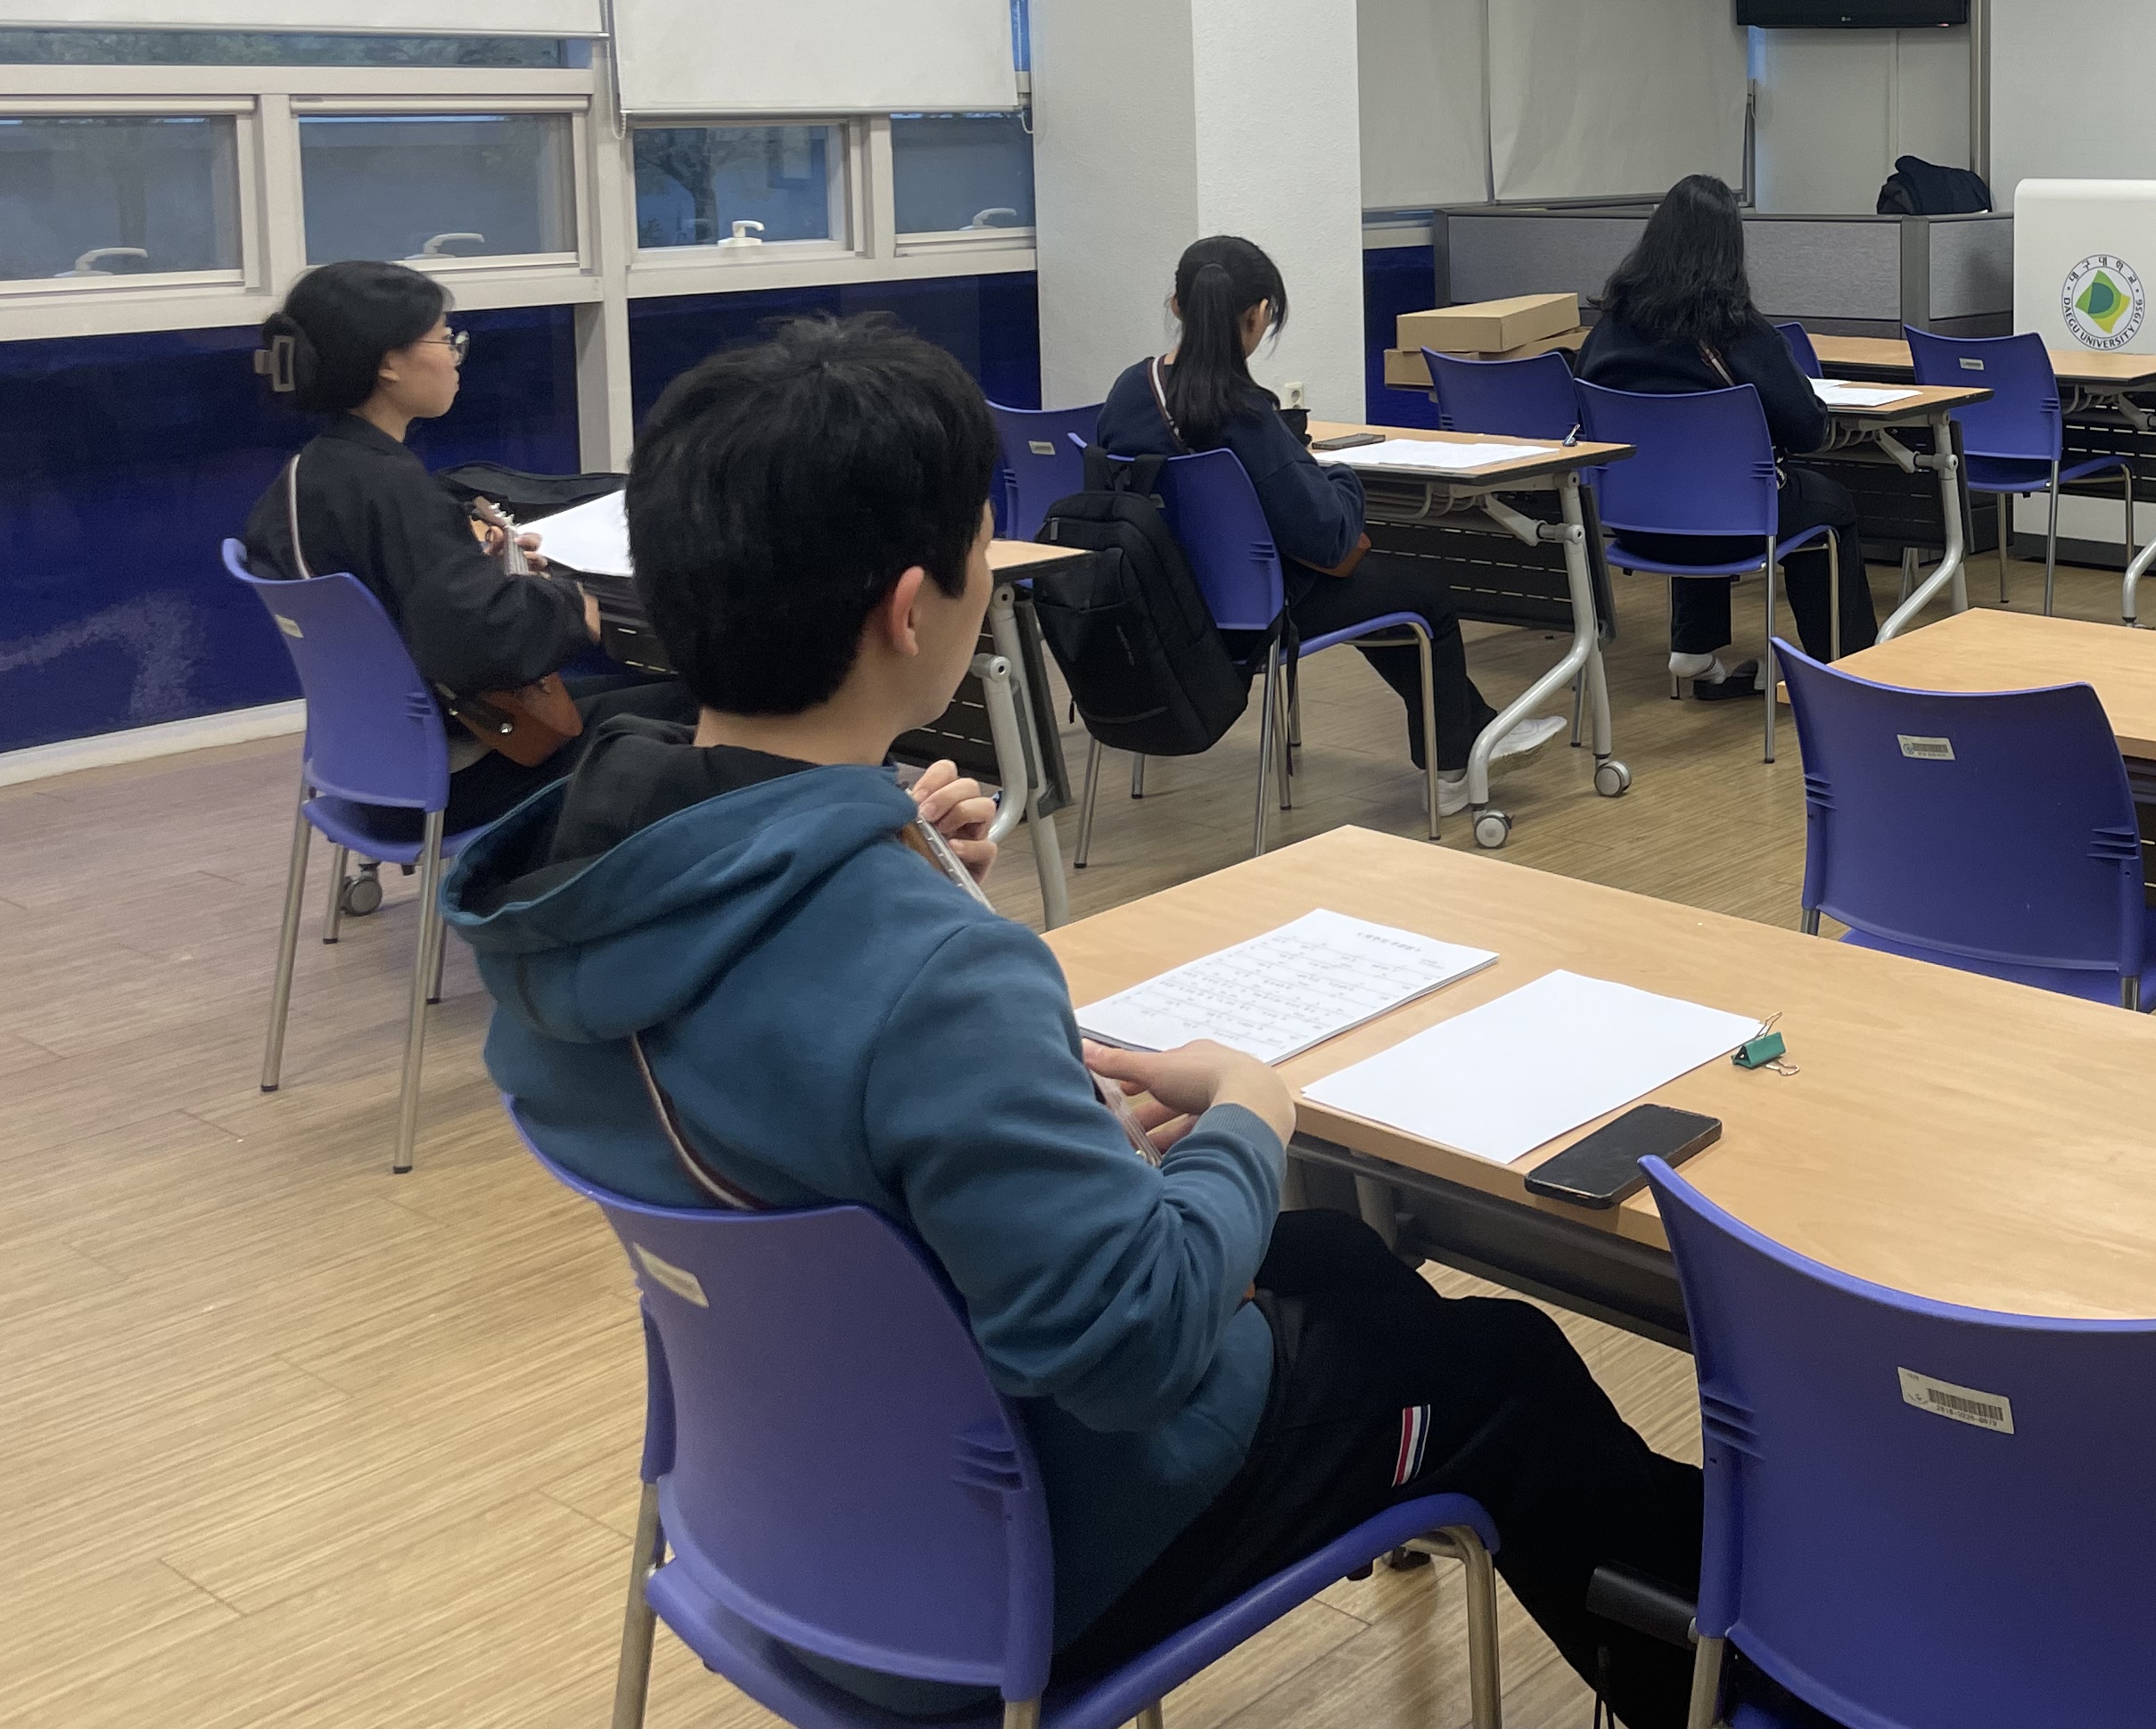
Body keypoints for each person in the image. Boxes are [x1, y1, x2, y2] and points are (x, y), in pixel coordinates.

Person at [445, 317, 1708, 1726]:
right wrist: (1249, 1113)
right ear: (912, 609)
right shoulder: (930, 976)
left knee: (1341, 1260)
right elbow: (1131, 1345)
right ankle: (1743, 1675)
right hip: (1014, 1561)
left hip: (785, 1517)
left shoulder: (573, 901)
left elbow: (804, 1121)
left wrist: (890, 875)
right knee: (1506, 1372)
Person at [1093, 236, 1558, 799]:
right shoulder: (1243, 412)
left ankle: (1473, 727)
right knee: (1420, 594)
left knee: (1379, 591)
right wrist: (1336, 476)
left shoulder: (1129, 390)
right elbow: (1329, 537)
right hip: (1255, 616)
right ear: (1259, 314)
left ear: (1176, 305)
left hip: (1162, 608)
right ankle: (1456, 768)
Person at [240, 258, 691, 836]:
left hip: (367, 769)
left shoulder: (308, 474)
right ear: (388, 363)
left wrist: (472, 566)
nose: (455, 356)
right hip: (460, 774)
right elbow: (478, 642)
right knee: (704, 704)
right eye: (443, 338)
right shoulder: (395, 489)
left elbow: (401, 604)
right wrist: (573, 604)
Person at [1577, 174, 1878, 691]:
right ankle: (1846, 676)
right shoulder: (1738, 329)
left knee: (1695, 485)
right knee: (1829, 505)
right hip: (1728, 527)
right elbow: (1809, 429)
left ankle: (1693, 648)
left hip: (1634, 523)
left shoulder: (1610, 326)